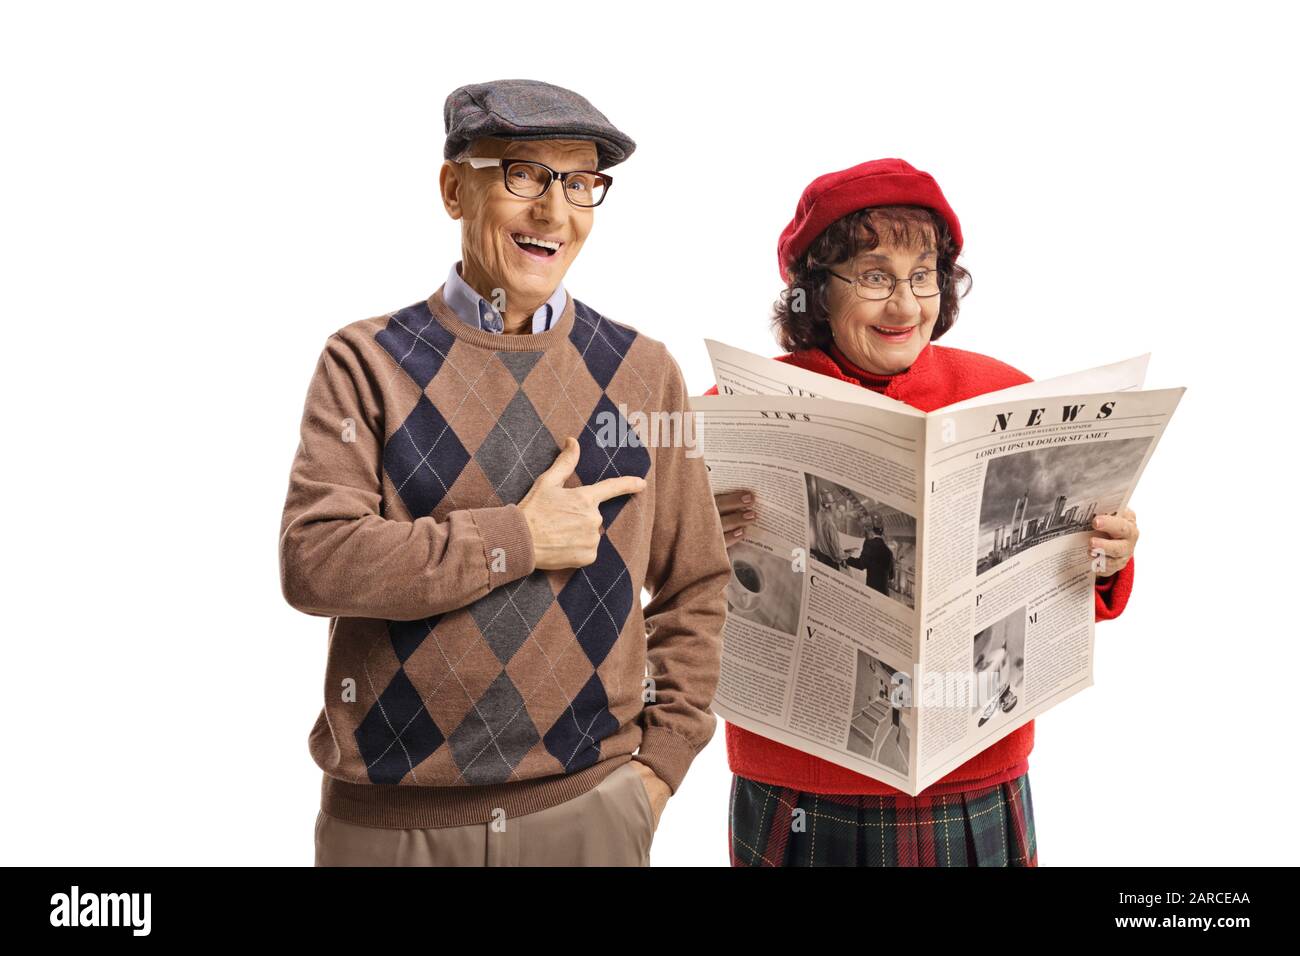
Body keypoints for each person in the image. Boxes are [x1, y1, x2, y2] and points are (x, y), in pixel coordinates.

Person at [279, 79, 732, 866]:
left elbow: (697, 582)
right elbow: (315, 561)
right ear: (455, 188)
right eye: (523, 173)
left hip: (590, 812)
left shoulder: (643, 374)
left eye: (580, 182)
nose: (554, 212)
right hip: (390, 832)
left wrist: (659, 770)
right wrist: (518, 537)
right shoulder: (366, 362)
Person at [710, 158, 1139, 866]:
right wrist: (693, 532)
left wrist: (1107, 554)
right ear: (817, 291)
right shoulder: (741, 407)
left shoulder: (1007, 398)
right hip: (802, 788)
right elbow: (658, 572)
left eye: (923, 275)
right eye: (875, 276)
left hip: (973, 777)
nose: (905, 306)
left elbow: (1064, 591)